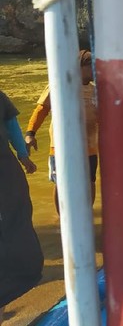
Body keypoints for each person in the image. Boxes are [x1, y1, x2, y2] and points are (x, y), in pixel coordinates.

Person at [25, 50, 98, 214]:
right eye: (92, 65)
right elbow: (41, 110)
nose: (97, 69)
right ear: (81, 66)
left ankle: (87, 216)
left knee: (89, 181)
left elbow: (102, 119)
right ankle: (62, 218)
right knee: (62, 183)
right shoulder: (59, 85)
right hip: (62, 147)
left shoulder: (95, 91)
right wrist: (30, 133)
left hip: (90, 147)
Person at [0, 90, 43, 325]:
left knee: (13, 235)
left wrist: (23, 155)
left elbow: (11, 123)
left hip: (5, 176)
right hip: (7, 176)